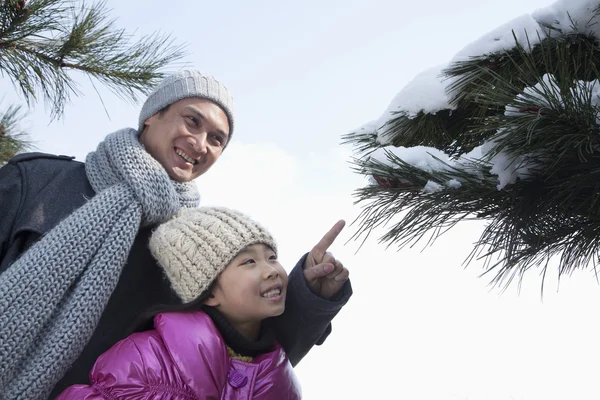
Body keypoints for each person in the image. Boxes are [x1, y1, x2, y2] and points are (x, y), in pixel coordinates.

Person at [0, 70, 352, 400]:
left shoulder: (190, 249)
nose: (200, 144)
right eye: (192, 120)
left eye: (217, 139)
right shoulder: (39, 180)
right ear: (151, 115)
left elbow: (242, 357)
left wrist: (310, 297)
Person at [57, 206, 344, 399]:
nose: (271, 270)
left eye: (271, 257)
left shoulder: (278, 375)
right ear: (208, 293)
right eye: (248, 261)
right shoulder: (143, 359)